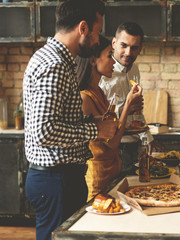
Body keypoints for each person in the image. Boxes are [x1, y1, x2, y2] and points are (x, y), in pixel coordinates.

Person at [23, 1, 119, 239]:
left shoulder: (56, 59)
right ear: (83, 28)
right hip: (55, 180)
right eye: (97, 33)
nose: (98, 41)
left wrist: (92, 120)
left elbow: (59, 120)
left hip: (59, 178)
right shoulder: (54, 64)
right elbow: (45, 131)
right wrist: (95, 130)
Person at [76, 35, 143, 200]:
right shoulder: (85, 97)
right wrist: (127, 104)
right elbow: (112, 142)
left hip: (112, 173)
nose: (113, 61)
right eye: (108, 55)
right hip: (97, 178)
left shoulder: (98, 92)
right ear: (93, 60)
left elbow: (112, 129)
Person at [99, 22, 162, 172]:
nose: (128, 52)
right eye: (124, 45)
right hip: (112, 147)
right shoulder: (102, 73)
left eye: (134, 48)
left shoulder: (134, 69)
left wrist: (148, 138)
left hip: (135, 146)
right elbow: (96, 119)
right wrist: (123, 108)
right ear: (114, 43)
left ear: (140, 48)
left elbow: (137, 110)